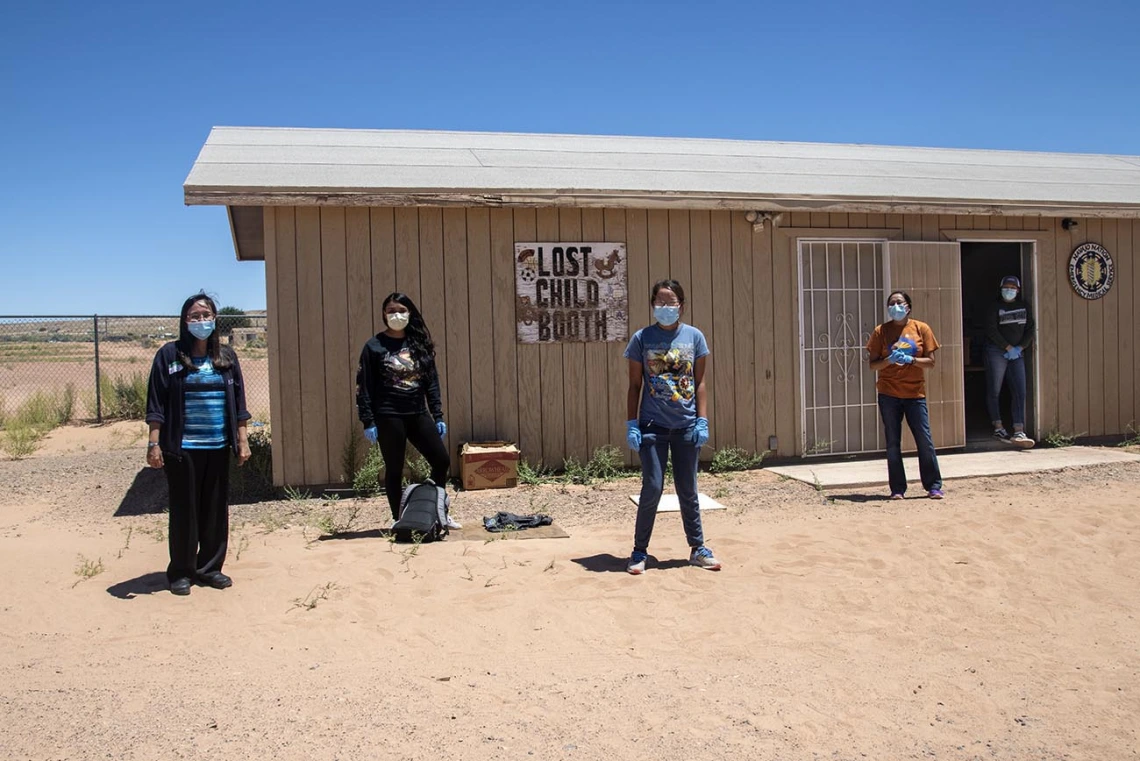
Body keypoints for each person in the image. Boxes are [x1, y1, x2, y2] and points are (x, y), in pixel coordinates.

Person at [145, 293, 252, 596]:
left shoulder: (227, 357)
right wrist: (154, 444)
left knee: (215, 510)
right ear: (184, 320)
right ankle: (181, 571)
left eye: (206, 315)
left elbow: (239, 402)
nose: (201, 320)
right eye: (194, 316)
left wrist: (242, 440)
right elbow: (156, 403)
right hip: (183, 449)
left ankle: (210, 568)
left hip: (217, 446)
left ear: (215, 319)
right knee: (184, 510)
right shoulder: (169, 355)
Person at [623, 279, 720, 575]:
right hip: (652, 427)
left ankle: (697, 548)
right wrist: (632, 424)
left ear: (682, 305)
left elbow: (699, 383)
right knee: (652, 486)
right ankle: (640, 551)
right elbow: (635, 385)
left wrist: (702, 420)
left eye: (672, 302)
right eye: (661, 302)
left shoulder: (694, 337)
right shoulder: (641, 339)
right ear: (653, 305)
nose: (666, 308)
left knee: (687, 489)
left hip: (685, 428)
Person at [355, 293, 452, 522]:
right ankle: (399, 519)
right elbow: (364, 386)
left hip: (418, 413)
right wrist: (367, 420)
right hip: (389, 415)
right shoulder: (374, 346)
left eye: (401, 310)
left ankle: (438, 514)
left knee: (441, 460)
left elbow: (432, 382)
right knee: (395, 469)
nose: (396, 315)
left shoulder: (418, 344)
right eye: (390, 311)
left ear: (410, 313)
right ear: (383, 314)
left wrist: (437, 414)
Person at [866, 291, 944, 500]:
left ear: (908, 306)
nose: (895, 307)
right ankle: (897, 489)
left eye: (899, 303)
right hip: (888, 393)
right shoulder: (880, 332)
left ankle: (933, 486)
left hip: (915, 393)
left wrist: (911, 360)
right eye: (891, 304)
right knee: (893, 442)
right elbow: (873, 365)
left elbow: (931, 362)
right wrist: (889, 360)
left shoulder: (921, 328)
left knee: (924, 439)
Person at [984, 275, 1035, 448]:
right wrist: (1006, 347)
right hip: (997, 351)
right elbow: (991, 329)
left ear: (1018, 290)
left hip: (1017, 352)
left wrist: (1020, 348)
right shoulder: (994, 307)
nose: (1010, 289)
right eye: (1006, 286)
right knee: (995, 389)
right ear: (1001, 288)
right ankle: (997, 426)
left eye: (1013, 287)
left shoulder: (1024, 306)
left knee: (1020, 389)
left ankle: (1019, 429)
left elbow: (1030, 330)